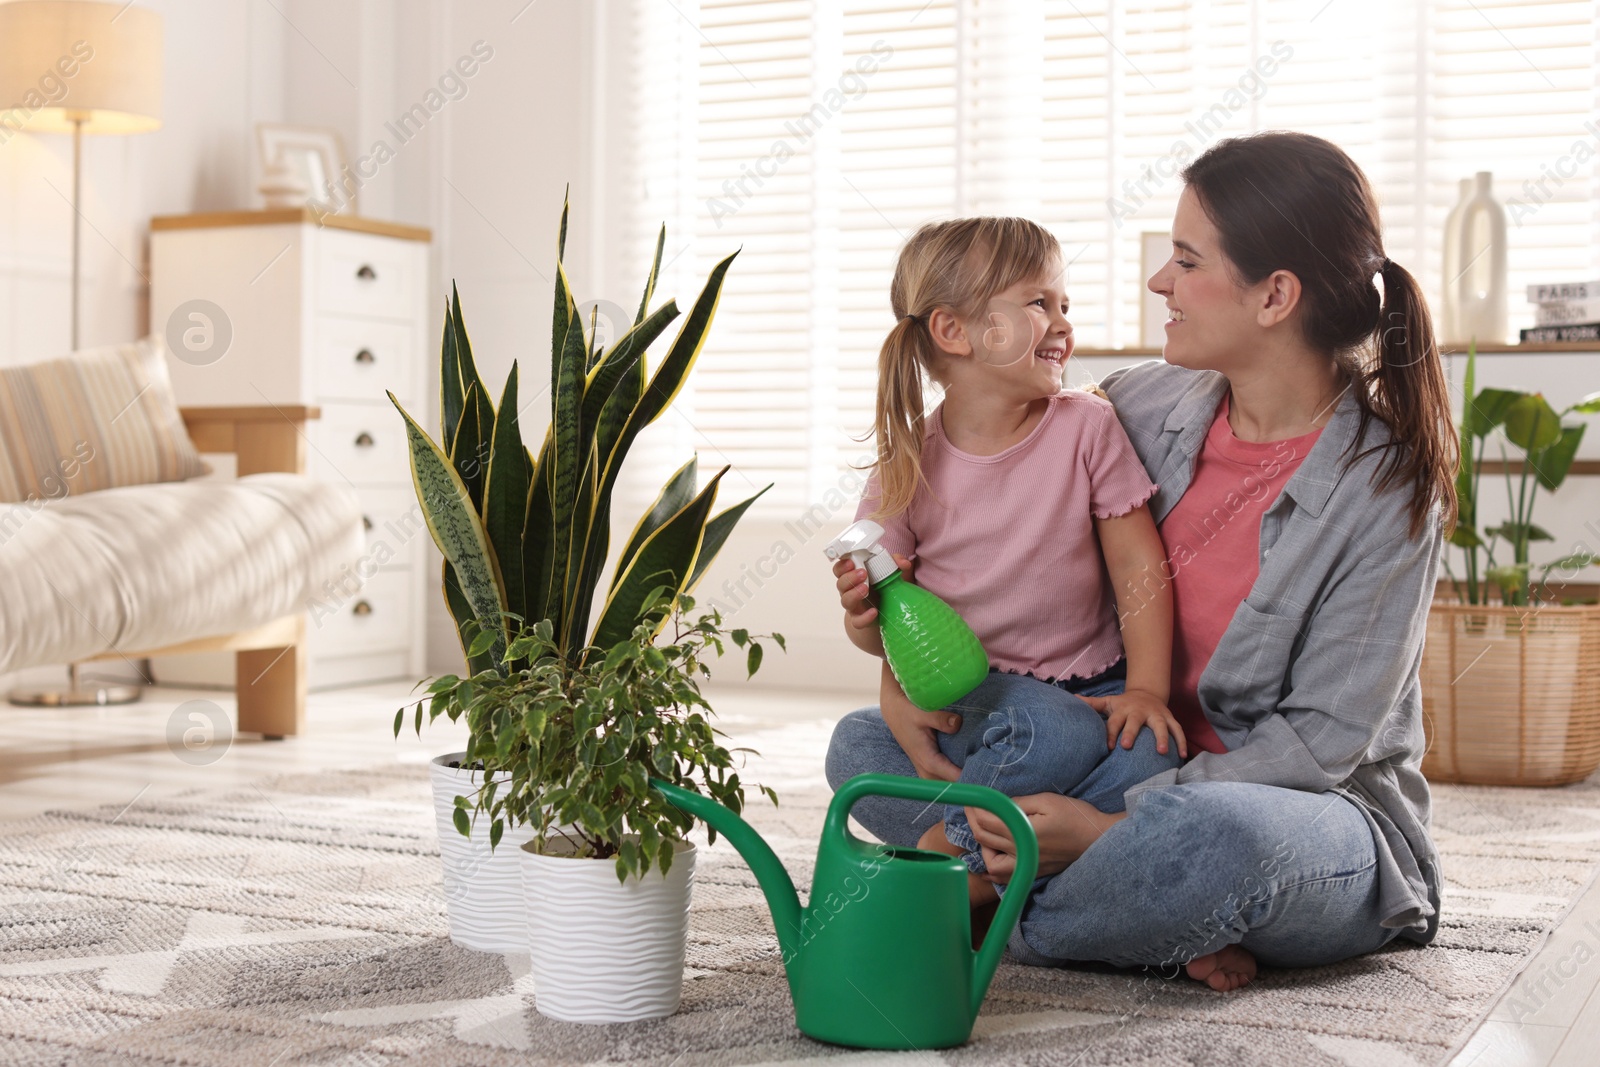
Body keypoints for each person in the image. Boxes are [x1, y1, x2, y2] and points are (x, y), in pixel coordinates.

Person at [825, 131, 1456, 991]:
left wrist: (1106, 830)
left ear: (1274, 295)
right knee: (863, 748)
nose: (1160, 280)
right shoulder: (1132, 405)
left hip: (1283, 805)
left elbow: (1318, 746)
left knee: (1217, 846)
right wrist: (899, 671)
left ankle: (982, 897)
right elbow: (980, 470)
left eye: (1187, 261)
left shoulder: (1386, 490)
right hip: (1094, 748)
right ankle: (1101, 909)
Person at [834, 215, 1188, 900]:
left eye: (1064, 304)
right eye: (1037, 302)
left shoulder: (1087, 426)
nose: (1061, 321)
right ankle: (1031, 865)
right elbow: (881, 629)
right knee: (853, 750)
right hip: (975, 706)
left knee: (1155, 751)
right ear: (954, 331)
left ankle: (962, 858)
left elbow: (1139, 566)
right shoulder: (907, 462)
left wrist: (1146, 688)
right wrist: (861, 615)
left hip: (1084, 698)